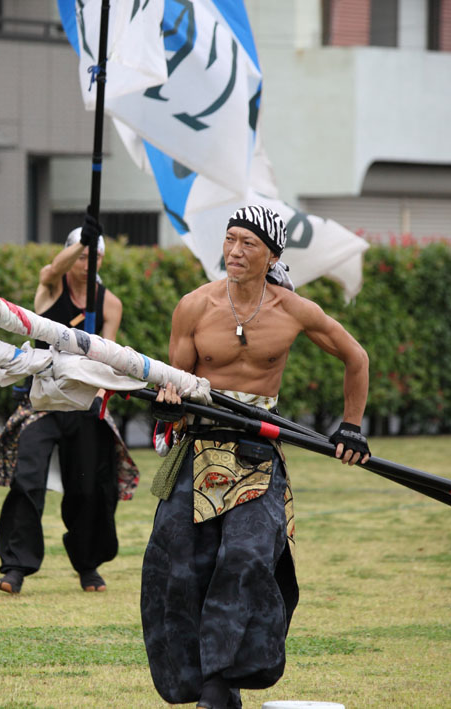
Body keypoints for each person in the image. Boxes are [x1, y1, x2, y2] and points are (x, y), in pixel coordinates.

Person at [143, 205, 371, 709]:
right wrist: (168, 405)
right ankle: (199, 682)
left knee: (246, 559)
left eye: (248, 243)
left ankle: (225, 682)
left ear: (271, 255)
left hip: (256, 454)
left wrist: (351, 427)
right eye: (230, 240)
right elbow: (174, 392)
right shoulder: (195, 307)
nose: (236, 251)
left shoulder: (292, 310)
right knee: (176, 561)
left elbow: (356, 357)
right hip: (198, 449)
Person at [0, 213, 138, 595]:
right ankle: (16, 568)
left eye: (95, 257)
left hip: (83, 403)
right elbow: (52, 269)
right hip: (41, 402)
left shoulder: (110, 304)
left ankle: (88, 567)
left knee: (88, 489)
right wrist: (80, 245)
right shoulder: (52, 288)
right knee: (28, 480)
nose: (88, 265)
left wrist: (100, 398)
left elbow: (108, 356)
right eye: (83, 257)